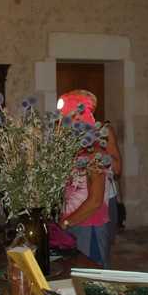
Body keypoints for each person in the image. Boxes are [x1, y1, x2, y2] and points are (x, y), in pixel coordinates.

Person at [58, 90, 112, 267]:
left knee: (92, 275)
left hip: (89, 226)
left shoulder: (94, 153)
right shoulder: (74, 151)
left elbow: (95, 201)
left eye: (67, 119)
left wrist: (66, 222)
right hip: (74, 223)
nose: (62, 124)